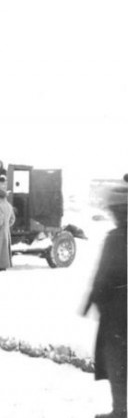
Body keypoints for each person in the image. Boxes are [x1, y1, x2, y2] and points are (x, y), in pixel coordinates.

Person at [84, 178, 127, 418]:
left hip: (118, 311)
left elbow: (105, 275)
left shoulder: (116, 238)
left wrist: (93, 300)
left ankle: (120, 411)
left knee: (118, 359)